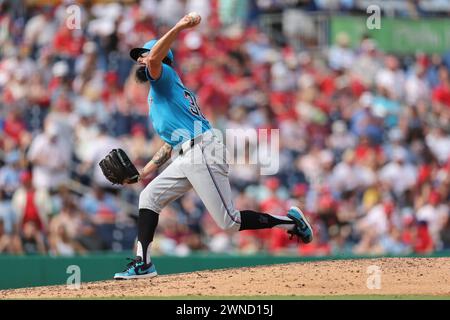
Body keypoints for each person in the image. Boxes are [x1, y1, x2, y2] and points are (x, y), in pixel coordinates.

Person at [113, 13, 313, 280]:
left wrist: (180, 26)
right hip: (188, 152)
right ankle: (144, 263)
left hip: (202, 150)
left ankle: (291, 221)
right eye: (140, 55)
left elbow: (154, 59)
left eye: (146, 54)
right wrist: (144, 172)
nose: (141, 59)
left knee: (228, 222)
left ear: (162, 58)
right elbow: (168, 145)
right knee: (148, 197)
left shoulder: (164, 76)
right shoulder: (160, 93)